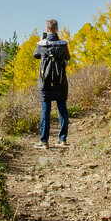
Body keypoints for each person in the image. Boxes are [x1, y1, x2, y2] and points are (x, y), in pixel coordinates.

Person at [33, 19, 71, 149]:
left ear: (47, 30)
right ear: (57, 29)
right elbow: (67, 57)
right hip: (60, 83)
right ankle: (62, 139)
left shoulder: (41, 44)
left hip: (45, 84)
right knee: (62, 110)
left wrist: (42, 40)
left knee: (45, 111)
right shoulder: (63, 45)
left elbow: (36, 55)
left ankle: (43, 141)